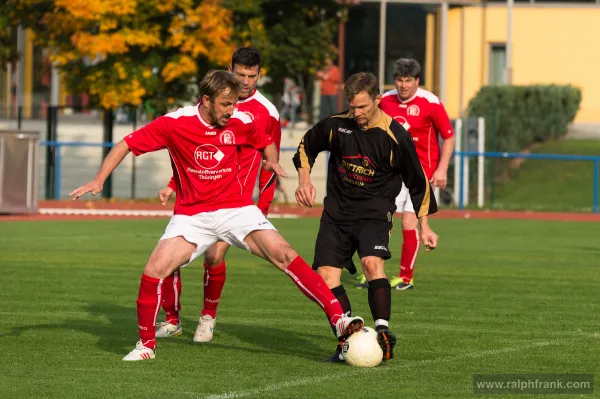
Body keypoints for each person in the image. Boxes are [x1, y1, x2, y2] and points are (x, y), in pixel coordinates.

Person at [69, 70, 364, 361]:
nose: (231, 110)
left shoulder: (241, 120)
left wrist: (271, 161)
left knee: (284, 253)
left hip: (235, 208)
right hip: (192, 215)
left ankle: (338, 319)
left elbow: (265, 141)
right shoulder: (175, 123)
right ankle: (146, 345)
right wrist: (99, 179)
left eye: (234, 103)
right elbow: (126, 144)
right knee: (154, 269)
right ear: (206, 100)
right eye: (226, 104)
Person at [293, 72, 439, 363]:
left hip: (374, 214)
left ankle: (383, 332)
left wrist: (425, 225)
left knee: (372, 264)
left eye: (362, 107)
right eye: (352, 106)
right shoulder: (337, 126)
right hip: (336, 215)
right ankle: (347, 335)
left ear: (377, 100)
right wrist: (304, 181)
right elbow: (305, 147)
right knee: (325, 276)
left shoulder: (395, 135)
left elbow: (417, 180)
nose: (356, 113)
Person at [155, 47, 283, 343]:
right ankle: (172, 320)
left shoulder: (267, 113)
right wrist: (174, 184)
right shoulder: (217, 98)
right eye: (241, 74)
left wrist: (261, 208)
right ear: (230, 69)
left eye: (252, 76)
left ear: (260, 75)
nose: (247, 81)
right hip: (196, 196)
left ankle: (207, 317)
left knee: (213, 255)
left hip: (234, 202)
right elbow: (194, 148)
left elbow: (269, 164)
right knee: (169, 259)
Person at [357, 58, 455, 291]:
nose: (403, 85)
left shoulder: (430, 102)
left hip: (420, 175)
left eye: (408, 80)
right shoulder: (385, 100)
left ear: (417, 81)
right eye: (399, 80)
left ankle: (405, 278)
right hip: (390, 173)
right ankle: (372, 272)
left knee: (410, 222)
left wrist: (442, 168)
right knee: (378, 222)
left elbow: (448, 136)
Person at [316, 56, 342, 120]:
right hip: (323, 92)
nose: (326, 62)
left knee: (334, 109)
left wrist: (327, 76)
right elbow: (317, 76)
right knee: (324, 109)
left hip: (332, 92)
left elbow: (337, 79)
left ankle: (336, 122)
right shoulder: (323, 69)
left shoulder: (335, 69)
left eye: (328, 60)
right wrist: (320, 75)